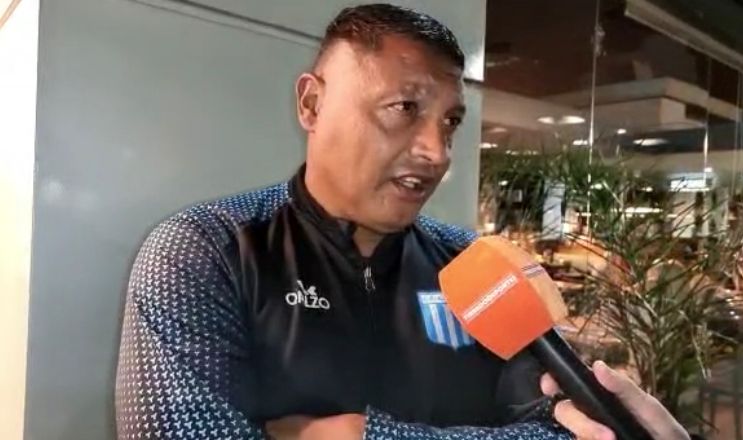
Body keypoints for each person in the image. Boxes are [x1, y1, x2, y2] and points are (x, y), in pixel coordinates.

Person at [115, 4, 692, 440]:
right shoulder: (205, 251)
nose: (437, 153)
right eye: (404, 109)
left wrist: (362, 434)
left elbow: (562, 428)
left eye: (450, 123)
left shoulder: (475, 265)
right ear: (312, 104)